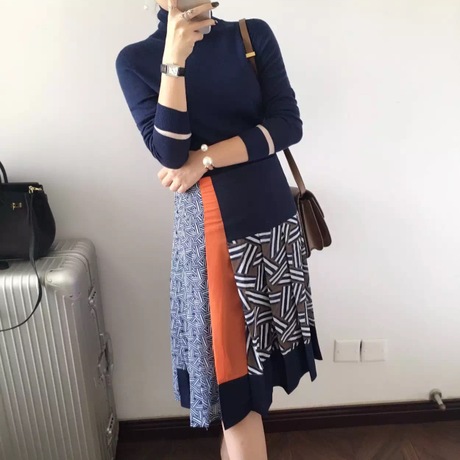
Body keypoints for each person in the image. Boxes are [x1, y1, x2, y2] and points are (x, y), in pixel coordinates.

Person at [115, 1, 322, 458]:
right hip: (210, 232)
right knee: (233, 380)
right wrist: (174, 61)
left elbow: (287, 125)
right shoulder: (137, 60)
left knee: (255, 374)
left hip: (273, 225)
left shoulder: (250, 35)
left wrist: (205, 159)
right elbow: (170, 154)